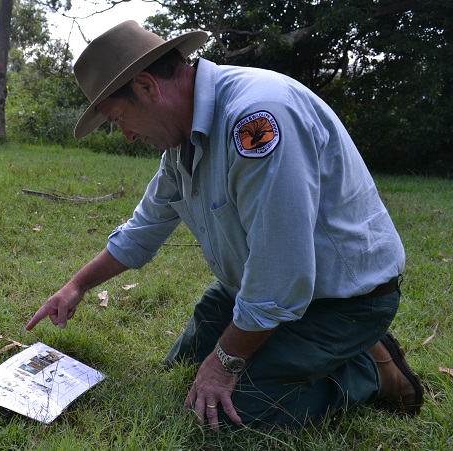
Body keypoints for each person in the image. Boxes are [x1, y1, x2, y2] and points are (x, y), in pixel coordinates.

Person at [25, 20, 424, 430]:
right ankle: (310, 352)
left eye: (119, 117)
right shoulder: (182, 145)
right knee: (182, 372)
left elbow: (280, 272)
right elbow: (141, 230)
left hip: (343, 301)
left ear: (147, 87)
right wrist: (76, 287)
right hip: (253, 289)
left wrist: (225, 362)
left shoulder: (258, 120)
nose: (125, 135)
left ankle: (371, 371)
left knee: (228, 417)